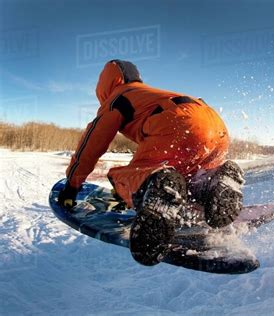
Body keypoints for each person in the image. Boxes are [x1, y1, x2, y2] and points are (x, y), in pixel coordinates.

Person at [58, 59, 244, 265]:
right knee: (189, 178)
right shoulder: (148, 93)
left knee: (126, 175)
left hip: (176, 122)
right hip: (214, 124)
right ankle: (215, 182)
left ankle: (156, 191)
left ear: (104, 85)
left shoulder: (119, 97)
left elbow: (92, 143)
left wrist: (72, 185)